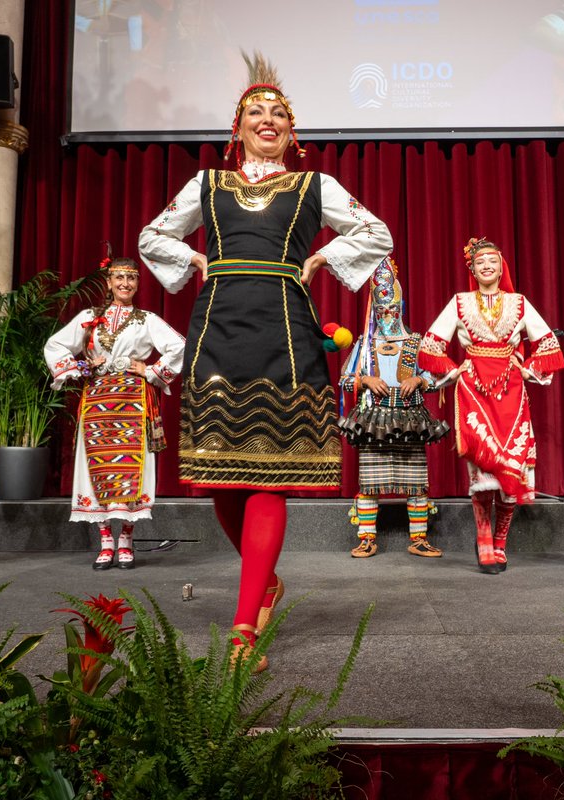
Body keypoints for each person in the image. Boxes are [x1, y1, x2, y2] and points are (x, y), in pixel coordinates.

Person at [137, 53, 392, 669]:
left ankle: (244, 625)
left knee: (270, 475)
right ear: (238, 126)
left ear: (292, 130)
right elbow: (153, 236)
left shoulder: (315, 186)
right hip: (217, 329)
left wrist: (322, 260)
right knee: (217, 475)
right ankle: (265, 582)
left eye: (279, 112)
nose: (268, 118)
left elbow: (376, 232)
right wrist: (196, 261)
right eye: (257, 111)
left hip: (287, 331)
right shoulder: (207, 184)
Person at [418, 237, 564, 574]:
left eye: (492, 261)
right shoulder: (459, 303)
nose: (487, 266)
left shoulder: (519, 303)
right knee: (483, 469)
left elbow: (547, 343)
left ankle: (501, 539)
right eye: (480, 262)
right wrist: (454, 370)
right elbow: (430, 345)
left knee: (513, 465)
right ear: (472, 269)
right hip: (473, 390)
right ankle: (484, 539)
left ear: (501, 267)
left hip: (512, 391)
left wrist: (528, 368)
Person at [44, 256, 186, 569]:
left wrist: (151, 370)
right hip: (97, 398)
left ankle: (127, 540)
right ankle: (105, 539)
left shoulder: (146, 319)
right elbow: (55, 346)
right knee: (98, 465)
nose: (125, 284)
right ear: (108, 282)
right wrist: (80, 366)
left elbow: (179, 346)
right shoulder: (88, 317)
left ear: (137, 284)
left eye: (131, 279)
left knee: (132, 468)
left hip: (133, 400)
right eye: (119, 278)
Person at [338, 255, 449, 558]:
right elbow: (344, 380)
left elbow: (438, 380)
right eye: (381, 309)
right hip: (373, 419)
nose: (387, 314)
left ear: (401, 309)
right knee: (370, 482)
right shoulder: (364, 343)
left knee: (415, 481)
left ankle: (419, 539)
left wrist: (421, 382)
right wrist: (365, 381)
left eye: (392, 309)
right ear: (374, 310)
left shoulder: (416, 341)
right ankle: (367, 537)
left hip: (411, 418)